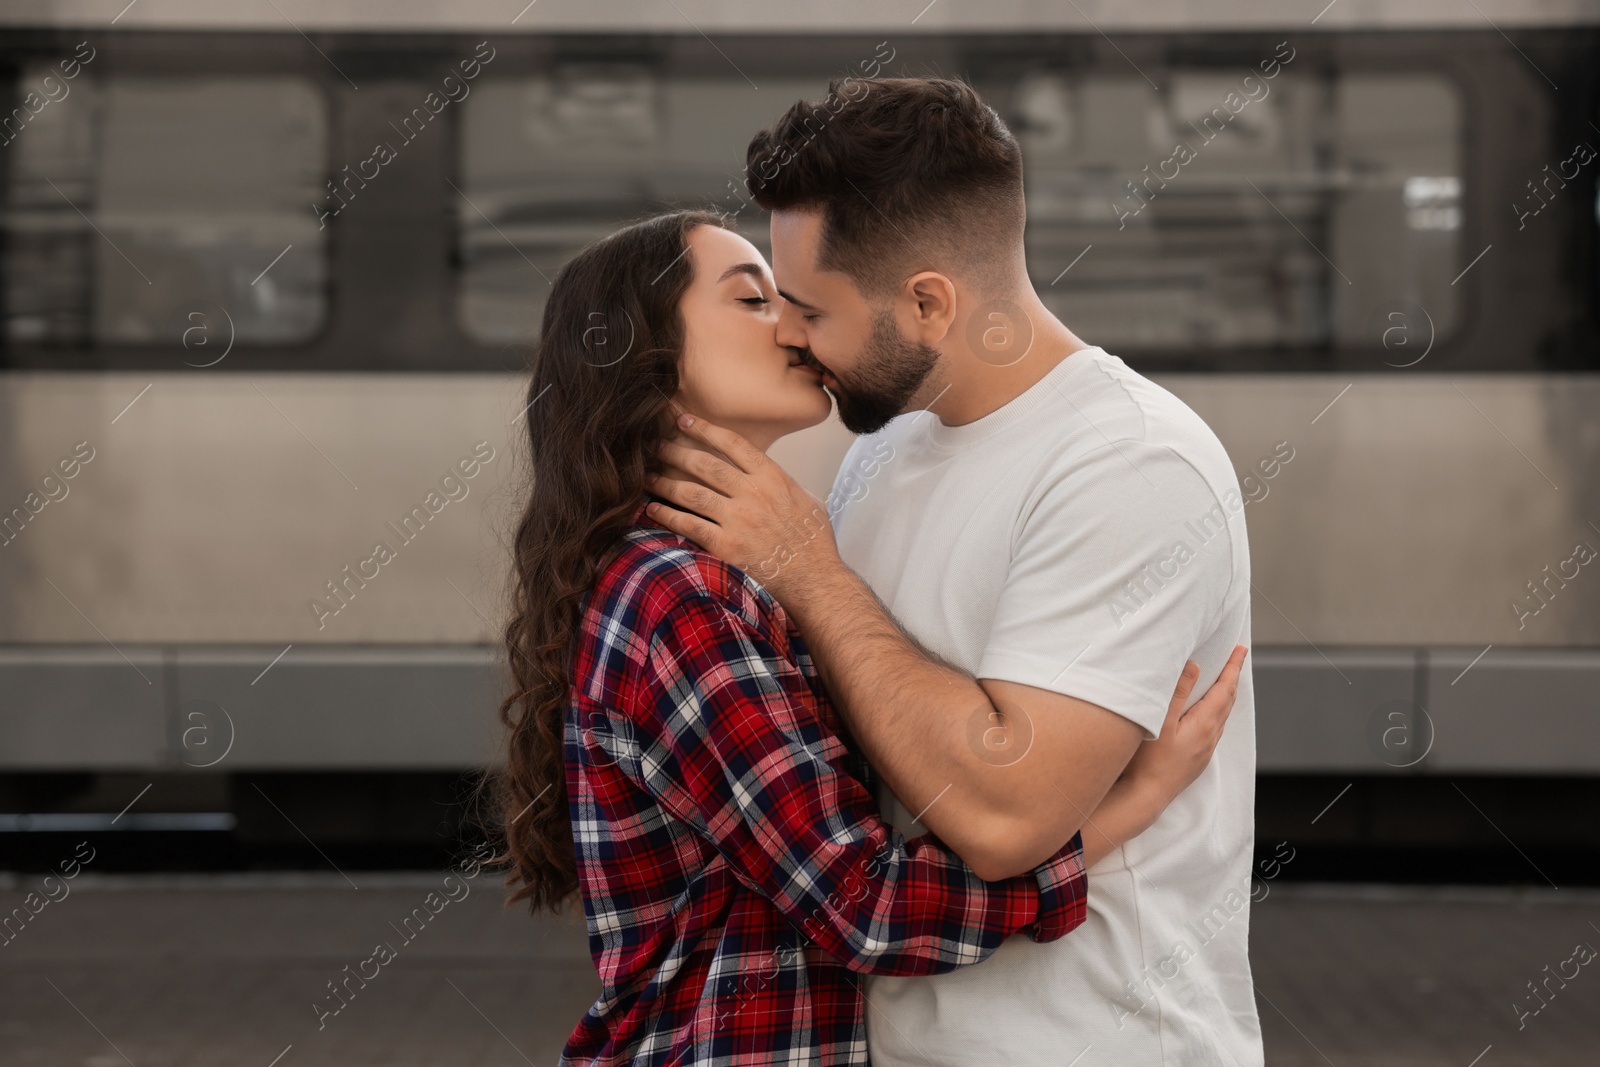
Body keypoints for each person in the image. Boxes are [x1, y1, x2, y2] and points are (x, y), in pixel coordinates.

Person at [481, 207, 1246, 1067]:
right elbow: (868, 906)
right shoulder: (679, 598)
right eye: (752, 299)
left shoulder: (706, 574)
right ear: (650, 358)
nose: (795, 325)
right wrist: (1130, 807)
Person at [645, 78, 1264, 1065]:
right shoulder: (883, 453)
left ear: (928, 302)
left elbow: (1002, 815)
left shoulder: (1128, 460)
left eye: (808, 307)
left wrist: (810, 568)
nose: (789, 336)